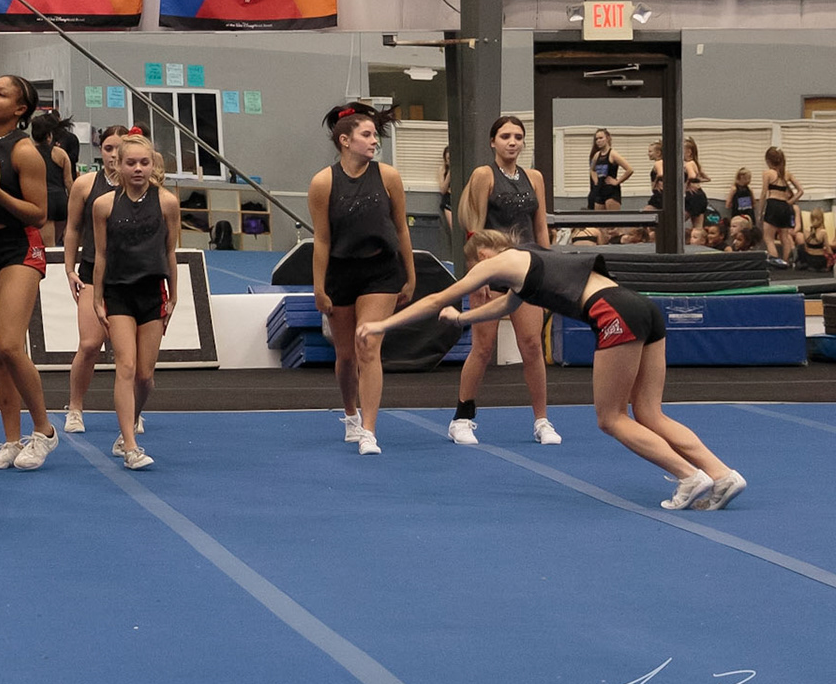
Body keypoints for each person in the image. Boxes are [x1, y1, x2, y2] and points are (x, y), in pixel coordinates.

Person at [359, 233, 746, 511]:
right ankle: (722, 474)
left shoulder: (498, 262)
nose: (479, 276)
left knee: (611, 418)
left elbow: (436, 298)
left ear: (483, 252)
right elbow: (504, 307)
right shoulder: (531, 261)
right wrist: (462, 318)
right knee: (649, 412)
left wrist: (382, 325)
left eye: (475, 266)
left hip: (612, 313)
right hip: (640, 307)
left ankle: (688, 476)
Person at [307, 103, 414, 457]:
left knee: (368, 345)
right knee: (346, 356)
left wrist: (410, 275)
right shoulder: (323, 183)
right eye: (366, 135)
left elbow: (401, 228)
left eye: (374, 135)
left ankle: (369, 430)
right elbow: (322, 239)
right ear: (345, 140)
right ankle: (350, 413)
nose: (374, 141)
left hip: (381, 270)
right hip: (341, 271)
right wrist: (319, 287)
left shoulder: (388, 177)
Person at [0, 75, 60, 470]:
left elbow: (38, 213)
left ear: (20, 109)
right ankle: (11, 439)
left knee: (9, 345)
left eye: (1, 94)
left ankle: (44, 430)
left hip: (19, 245)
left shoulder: (25, 152)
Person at [453, 115, 559, 447]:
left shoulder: (535, 178)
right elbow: (473, 226)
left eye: (518, 137)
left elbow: (540, 227)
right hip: (492, 272)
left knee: (532, 346)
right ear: (493, 142)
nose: (512, 142)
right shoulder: (484, 175)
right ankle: (462, 418)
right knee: (483, 348)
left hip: (526, 271)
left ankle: (542, 420)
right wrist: (476, 272)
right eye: (505, 136)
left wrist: (548, 270)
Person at [92, 132, 183, 469]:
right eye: (131, 163)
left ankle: (131, 420)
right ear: (118, 166)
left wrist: (174, 295)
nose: (138, 169)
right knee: (126, 367)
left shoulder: (167, 203)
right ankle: (130, 446)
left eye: (144, 163)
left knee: (145, 376)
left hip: (152, 292)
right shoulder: (104, 205)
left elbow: (170, 252)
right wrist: (97, 298)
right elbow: (101, 254)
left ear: (153, 165)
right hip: (118, 292)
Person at [61, 126, 126, 433]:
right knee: (89, 345)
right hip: (91, 273)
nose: (113, 155)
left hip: (129, 275)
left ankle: (132, 410)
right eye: (108, 148)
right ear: (101, 150)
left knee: (127, 351)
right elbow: (73, 227)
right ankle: (75, 407)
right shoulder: (86, 184)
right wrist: (69, 268)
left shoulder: (141, 186)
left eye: (119, 149)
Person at [30, 110, 75, 247]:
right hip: (61, 201)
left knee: (48, 247)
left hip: (43, 202)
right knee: (57, 245)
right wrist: (76, 203)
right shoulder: (60, 154)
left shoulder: (29, 153)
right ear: (49, 136)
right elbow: (68, 182)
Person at [586, 129, 632, 244]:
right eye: (596, 139)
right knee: (600, 225)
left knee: (614, 224)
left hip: (611, 191)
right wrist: (596, 180)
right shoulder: (597, 155)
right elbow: (592, 170)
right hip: (600, 190)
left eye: (601, 138)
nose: (598, 141)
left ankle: (619, 243)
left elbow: (629, 169)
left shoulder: (613, 154)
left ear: (607, 138)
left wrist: (617, 181)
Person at [761, 147, 803, 266]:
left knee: (768, 238)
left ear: (768, 161)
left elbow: (764, 193)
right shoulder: (786, 174)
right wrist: (789, 202)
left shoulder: (768, 173)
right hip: (784, 206)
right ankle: (786, 262)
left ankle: (776, 262)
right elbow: (801, 191)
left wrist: (760, 211)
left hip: (773, 205)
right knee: (784, 237)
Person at [683, 138, 711, 231]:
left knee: (675, 221)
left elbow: (692, 176)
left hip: (693, 197)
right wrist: (697, 181)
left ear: (689, 152)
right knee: (697, 228)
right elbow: (707, 178)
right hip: (699, 195)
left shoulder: (688, 164)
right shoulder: (695, 163)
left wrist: (686, 185)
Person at [438, 146, 453, 234]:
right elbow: (443, 190)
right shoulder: (443, 170)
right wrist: (449, 174)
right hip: (448, 200)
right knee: (453, 228)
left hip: (461, 198)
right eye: (448, 159)